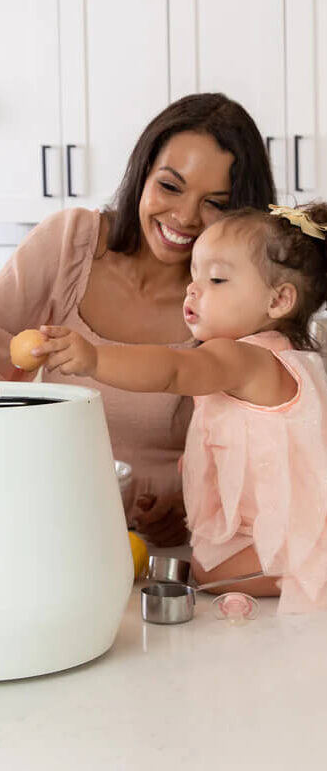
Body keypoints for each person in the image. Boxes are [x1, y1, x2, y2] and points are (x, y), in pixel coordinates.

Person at [0, 92, 276, 546]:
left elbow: (260, 448)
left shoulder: (240, 297)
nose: (185, 217)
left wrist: (192, 504)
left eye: (215, 203)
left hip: (172, 550)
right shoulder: (70, 243)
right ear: (143, 174)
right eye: (170, 186)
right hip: (47, 529)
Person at [34, 202, 327, 612]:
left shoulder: (242, 358)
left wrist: (95, 359)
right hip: (281, 524)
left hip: (298, 531)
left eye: (217, 279)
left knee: (210, 572)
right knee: (204, 561)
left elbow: (173, 370)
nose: (193, 289)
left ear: (279, 300)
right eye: (194, 274)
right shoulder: (287, 357)